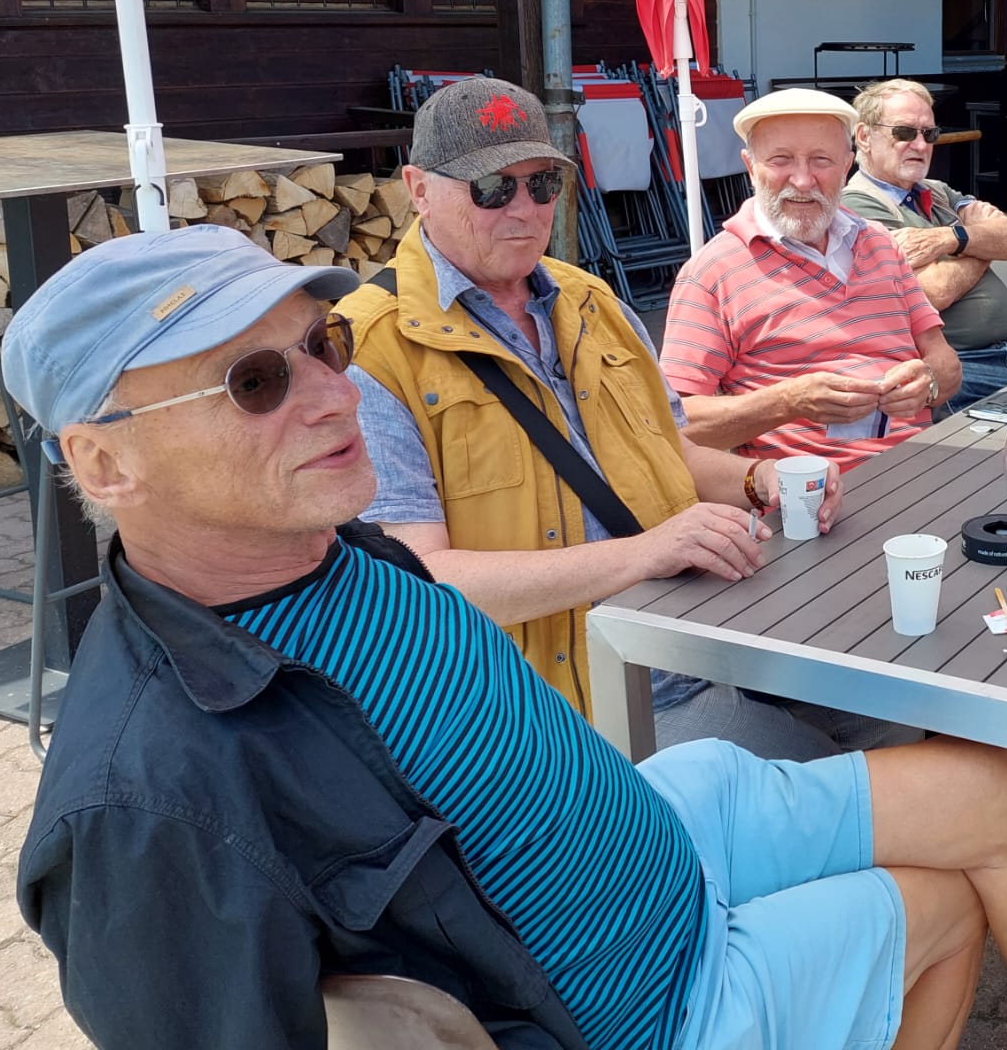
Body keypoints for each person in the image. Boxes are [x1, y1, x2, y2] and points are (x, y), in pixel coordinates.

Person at [8, 225, 1007, 1050]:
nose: (329, 393)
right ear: (104, 464)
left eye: (324, 345)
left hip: (658, 828)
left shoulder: (320, 544)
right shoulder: (144, 799)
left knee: (994, 791)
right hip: (635, 998)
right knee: (941, 907)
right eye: (254, 383)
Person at [338, 75, 870, 758]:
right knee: (937, 796)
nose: (525, 210)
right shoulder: (368, 348)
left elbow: (663, 451)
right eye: (493, 187)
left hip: (704, 637)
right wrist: (646, 553)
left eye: (543, 185)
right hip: (562, 718)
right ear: (418, 189)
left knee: (908, 715)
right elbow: (420, 582)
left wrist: (759, 476)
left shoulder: (592, 302)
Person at [662, 88, 962, 471]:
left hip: (922, 467)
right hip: (809, 497)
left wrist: (929, 383)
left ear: (846, 166)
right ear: (750, 167)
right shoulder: (712, 272)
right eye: (781, 160)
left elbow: (946, 363)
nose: (802, 181)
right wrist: (788, 402)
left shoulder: (880, 243)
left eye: (821, 160)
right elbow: (675, 424)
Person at [841, 77, 1007, 411]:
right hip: (957, 369)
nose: (920, 145)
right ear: (864, 136)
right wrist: (980, 244)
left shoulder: (937, 191)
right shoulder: (857, 207)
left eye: (929, 133)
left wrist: (951, 238)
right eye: (904, 132)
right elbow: (934, 291)